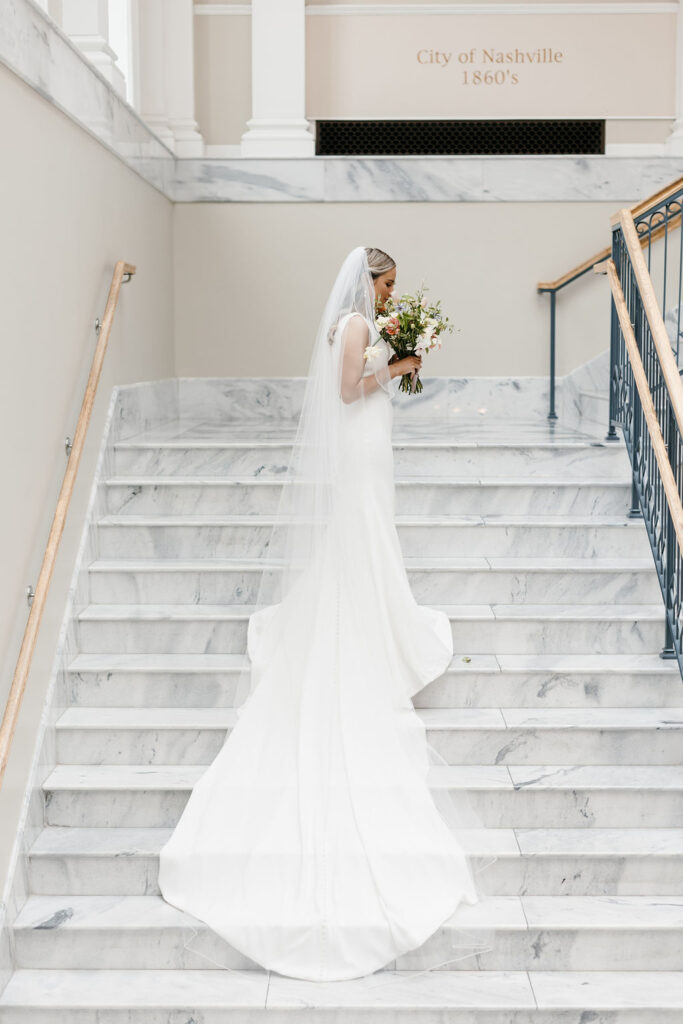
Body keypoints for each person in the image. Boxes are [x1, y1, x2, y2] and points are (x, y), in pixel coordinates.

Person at [157, 246, 494, 982]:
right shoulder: (348, 325)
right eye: (387, 282)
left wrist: (400, 360)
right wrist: (399, 368)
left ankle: (378, 618)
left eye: (393, 286)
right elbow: (348, 392)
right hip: (358, 442)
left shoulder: (356, 320)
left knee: (371, 536)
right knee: (360, 537)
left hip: (369, 447)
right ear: (364, 280)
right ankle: (370, 631)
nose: (389, 293)